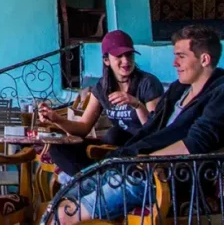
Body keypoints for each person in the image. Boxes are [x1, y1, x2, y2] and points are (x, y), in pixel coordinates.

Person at [52, 25, 224, 224]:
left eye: (181, 56)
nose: (174, 63)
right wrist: (128, 157)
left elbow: (196, 143)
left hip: (165, 175)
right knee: (62, 201)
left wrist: (146, 160)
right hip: (134, 165)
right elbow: (152, 128)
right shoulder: (179, 88)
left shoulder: (219, 93)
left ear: (204, 59)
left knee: (67, 215)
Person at [39, 30, 164, 176]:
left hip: (140, 147)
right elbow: (83, 128)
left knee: (114, 135)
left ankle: (94, 178)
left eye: (129, 55)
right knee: (58, 148)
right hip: (114, 148)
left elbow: (154, 130)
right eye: (119, 56)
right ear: (106, 60)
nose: (125, 61)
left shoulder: (148, 83)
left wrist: (136, 104)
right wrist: (56, 119)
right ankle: (93, 178)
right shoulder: (101, 87)